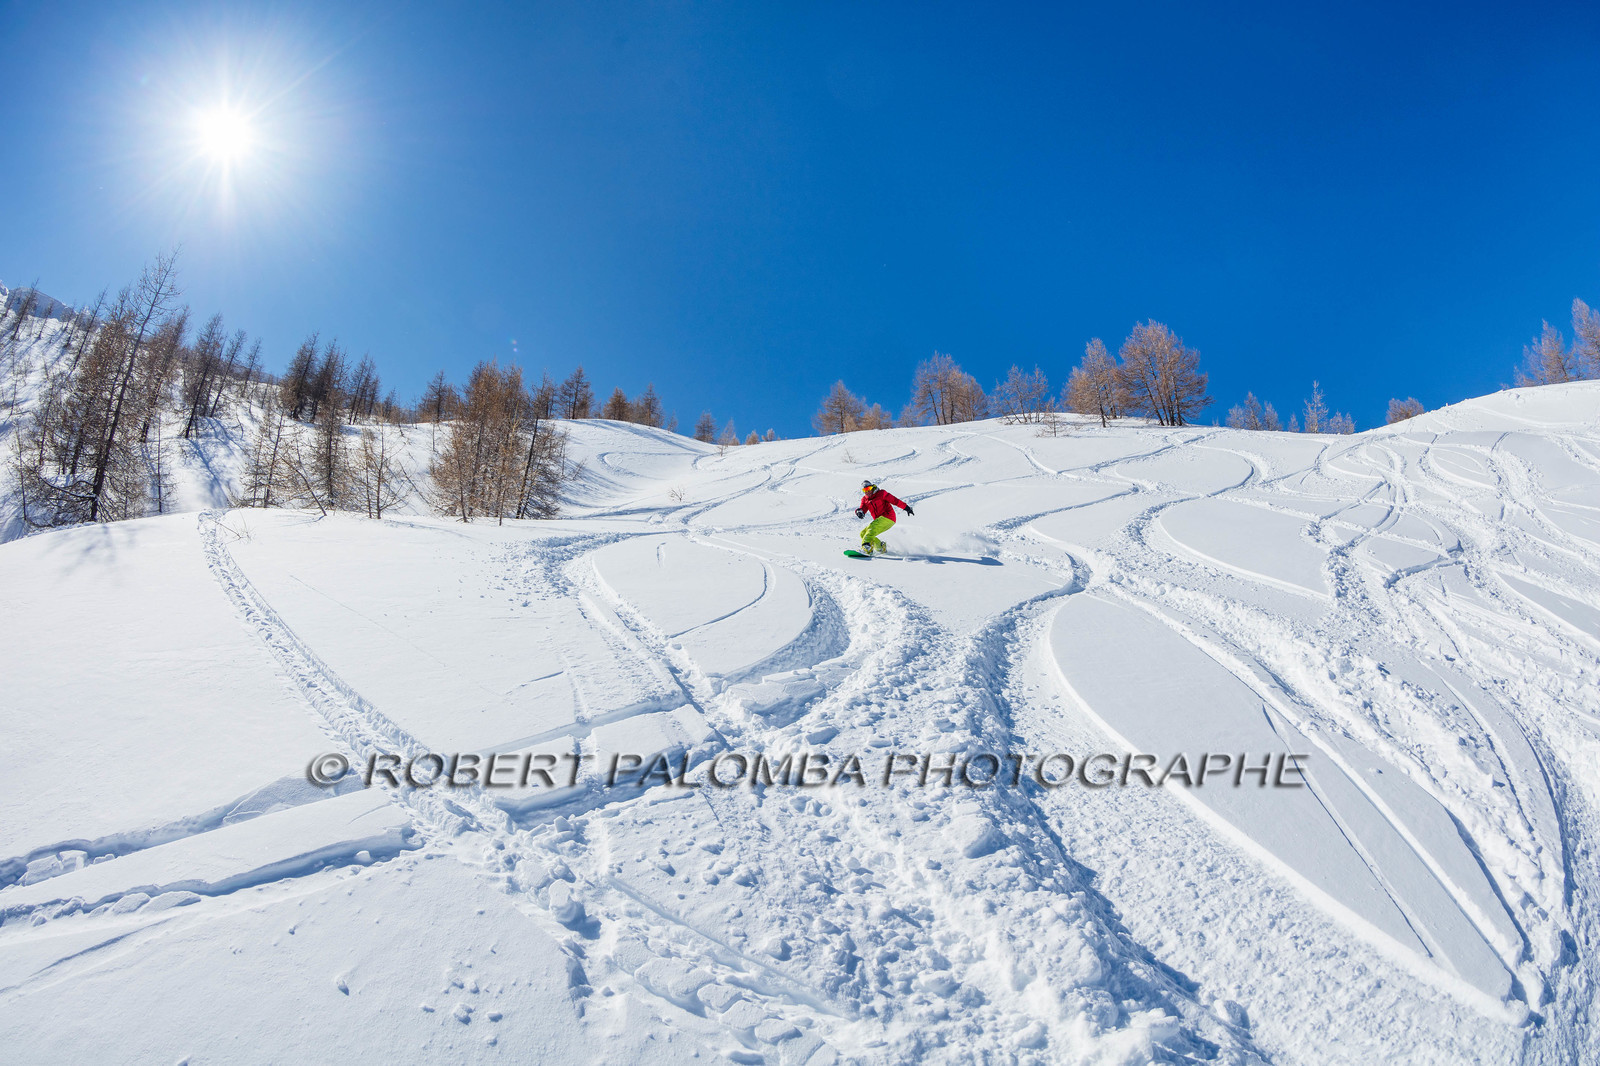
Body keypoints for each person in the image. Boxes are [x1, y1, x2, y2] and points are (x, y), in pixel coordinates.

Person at [854, 479, 913, 555]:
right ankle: (881, 547)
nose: (867, 491)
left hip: (888, 517)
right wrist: (859, 512)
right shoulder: (865, 499)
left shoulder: (881, 493)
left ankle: (866, 548)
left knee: (871, 528)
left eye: (868, 489)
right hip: (879, 520)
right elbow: (862, 509)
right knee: (863, 533)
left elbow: (895, 500)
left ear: (872, 487)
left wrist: (906, 508)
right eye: (865, 490)